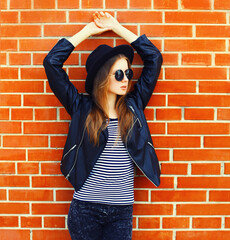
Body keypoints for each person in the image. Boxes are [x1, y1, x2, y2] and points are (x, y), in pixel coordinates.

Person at [43, 11, 162, 240]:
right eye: (118, 73)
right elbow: (52, 62)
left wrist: (116, 27)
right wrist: (88, 31)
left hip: (121, 212)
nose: (126, 78)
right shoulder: (81, 107)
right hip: (85, 209)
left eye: (128, 72)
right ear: (102, 76)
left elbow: (154, 58)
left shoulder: (134, 105)